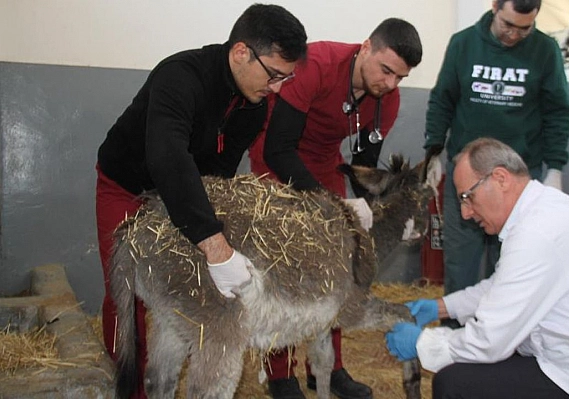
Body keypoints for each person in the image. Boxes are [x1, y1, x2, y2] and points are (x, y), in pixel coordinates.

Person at [95, 4, 307, 398]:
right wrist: (215, 246)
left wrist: (220, 236)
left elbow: (217, 177)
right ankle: (129, 387)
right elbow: (168, 159)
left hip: (183, 196)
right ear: (242, 52)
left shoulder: (254, 106)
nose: (276, 88)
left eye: (286, 78)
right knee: (125, 289)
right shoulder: (180, 75)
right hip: (127, 185)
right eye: (274, 74)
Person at [385, 138, 569, 398]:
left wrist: (423, 343)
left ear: (500, 178)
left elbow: (489, 341)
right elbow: (504, 287)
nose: (465, 213)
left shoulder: (537, 233)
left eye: (467, 197)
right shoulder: (540, 212)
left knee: (455, 385)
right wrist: (441, 307)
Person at [248, 18, 423, 399]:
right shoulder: (320, 64)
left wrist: (371, 212)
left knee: (343, 266)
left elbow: (364, 167)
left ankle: (328, 368)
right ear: (365, 48)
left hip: (324, 163)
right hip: (276, 159)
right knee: (286, 266)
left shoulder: (386, 100)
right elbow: (279, 146)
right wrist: (331, 205)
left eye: (400, 78)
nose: (390, 84)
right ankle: (280, 373)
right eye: (386, 70)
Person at [422, 0, 569, 306]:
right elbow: (443, 100)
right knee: (460, 264)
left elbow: (557, 111)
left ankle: (504, 337)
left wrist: (555, 167)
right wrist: (433, 152)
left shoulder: (545, 50)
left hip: (516, 180)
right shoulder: (463, 44)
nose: (514, 35)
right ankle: (455, 338)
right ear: (494, 6)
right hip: (466, 177)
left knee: (511, 265)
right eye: (508, 24)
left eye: (525, 28)